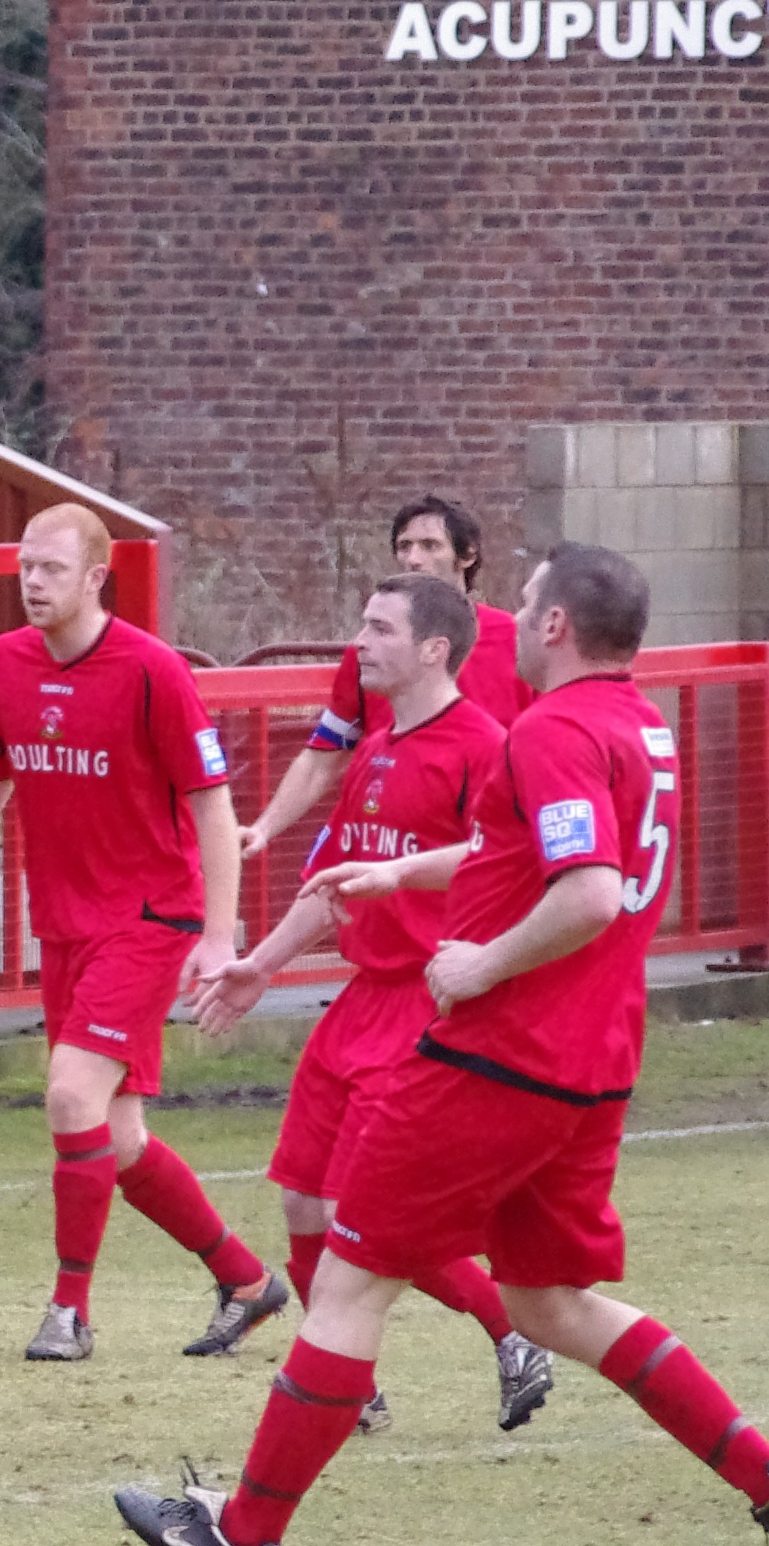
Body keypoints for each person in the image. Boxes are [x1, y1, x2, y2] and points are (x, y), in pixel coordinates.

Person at [121, 543, 769, 1546]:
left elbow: (588, 890)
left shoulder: (550, 727)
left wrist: (476, 963)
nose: (509, 617)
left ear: (554, 626)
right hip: (591, 1061)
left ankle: (240, 1531)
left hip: (498, 1057)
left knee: (344, 1281)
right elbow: (533, 852)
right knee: (550, 1304)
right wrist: (403, 869)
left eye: (522, 603)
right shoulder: (634, 723)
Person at [0, 504, 284, 1363]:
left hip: (147, 918)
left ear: (96, 578)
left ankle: (68, 1312)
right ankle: (247, 1282)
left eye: (51, 569)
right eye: (24, 566)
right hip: (64, 924)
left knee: (67, 1094)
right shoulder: (3, 663)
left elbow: (212, 807)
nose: (31, 583)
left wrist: (218, 935)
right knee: (118, 1137)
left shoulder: (151, 671)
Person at [190, 573, 552, 1436]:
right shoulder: (379, 745)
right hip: (357, 1001)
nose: (358, 641)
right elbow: (333, 889)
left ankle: (512, 1335)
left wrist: (412, 877)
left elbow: (509, 856)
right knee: (301, 1201)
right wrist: (257, 966)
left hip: (426, 1005)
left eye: (378, 628)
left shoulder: (483, 747)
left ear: (432, 649)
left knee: (370, 1216)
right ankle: (347, 1378)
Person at [240, 495, 527, 859]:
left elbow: (549, 750)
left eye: (429, 545)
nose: (413, 558)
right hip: (385, 839)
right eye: (404, 546)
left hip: (479, 845)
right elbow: (322, 757)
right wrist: (263, 828)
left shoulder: (515, 641)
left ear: (467, 555)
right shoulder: (367, 656)